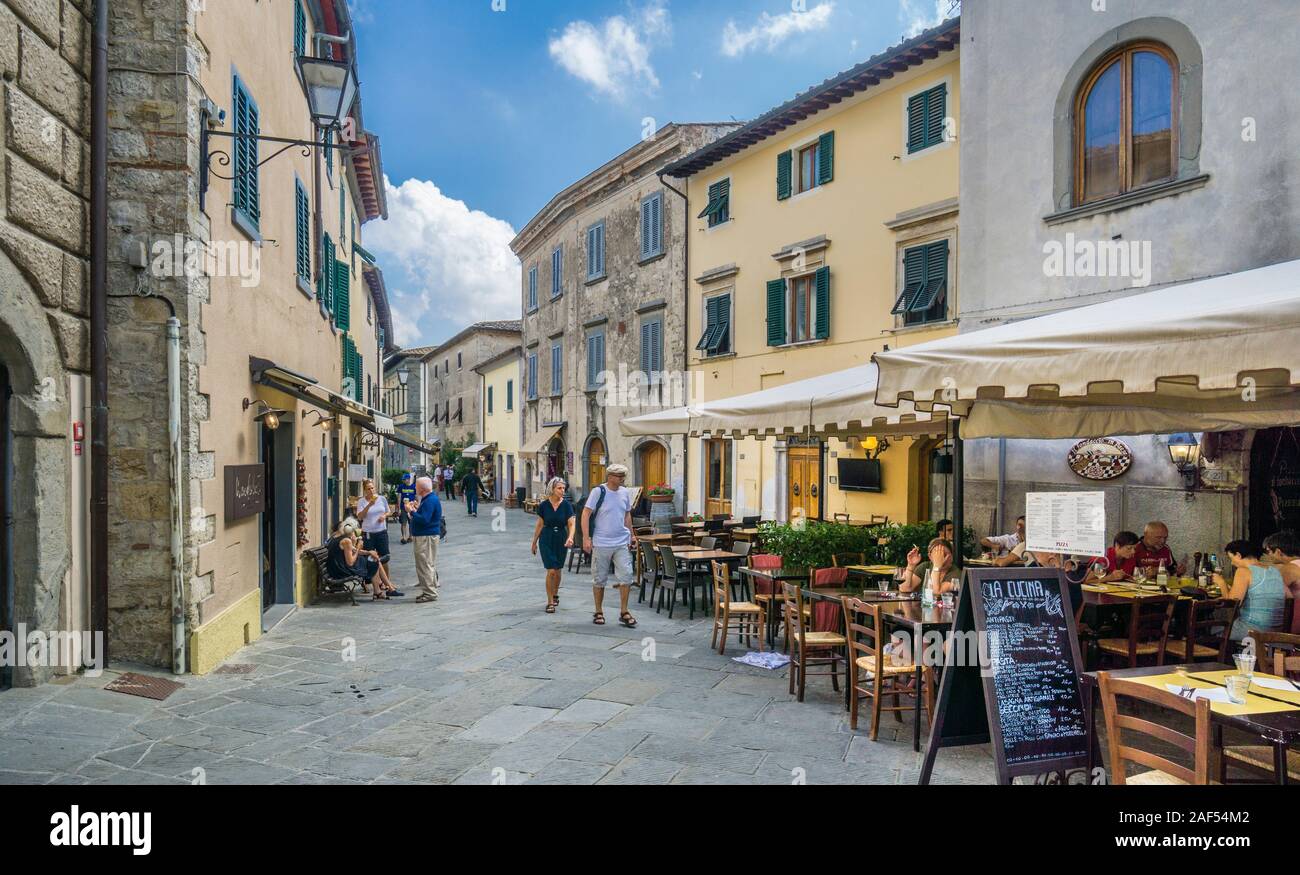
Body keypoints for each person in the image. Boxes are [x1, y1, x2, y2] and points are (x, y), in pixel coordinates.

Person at [581, 463, 638, 628]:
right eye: (620, 476)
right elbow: (586, 513)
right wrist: (586, 538)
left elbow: (627, 514)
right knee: (600, 578)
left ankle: (624, 611)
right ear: (610, 476)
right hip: (601, 542)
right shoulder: (598, 491)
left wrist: (632, 535)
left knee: (626, 576)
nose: (622, 479)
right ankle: (598, 611)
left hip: (621, 541)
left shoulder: (625, 493)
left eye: (623, 476)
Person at [1214, 539, 1300, 641]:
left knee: (1208, 629)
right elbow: (1289, 597)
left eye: (1231, 558)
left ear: (1238, 555)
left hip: (1253, 630)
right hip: (1277, 630)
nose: (1232, 563)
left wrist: (1222, 583)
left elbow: (1232, 604)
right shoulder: (1274, 571)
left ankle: (1222, 655)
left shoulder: (1243, 571)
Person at [531, 476, 575, 613]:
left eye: (563, 488)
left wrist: (570, 537)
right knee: (550, 570)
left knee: (558, 570)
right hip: (546, 538)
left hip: (561, 538)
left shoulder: (567, 505)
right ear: (552, 489)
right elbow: (539, 524)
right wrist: (534, 542)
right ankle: (550, 601)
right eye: (559, 488)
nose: (562, 491)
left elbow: (571, 523)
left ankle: (555, 593)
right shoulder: (544, 505)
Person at [327, 517, 396, 600]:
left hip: (336, 567)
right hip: (341, 570)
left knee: (372, 558)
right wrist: (358, 547)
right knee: (373, 561)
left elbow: (354, 550)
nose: (353, 534)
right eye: (353, 531)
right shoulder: (346, 541)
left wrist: (369, 552)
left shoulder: (335, 537)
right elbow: (351, 562)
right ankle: (382, 590)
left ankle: (385, 589)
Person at [356, 479, 401, 596]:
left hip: (381, 531)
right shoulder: (361, 501)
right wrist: (369, 505)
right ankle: (374, 585)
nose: (371, 491)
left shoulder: (381, 499)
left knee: (385, 557)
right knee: (371, 559)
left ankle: (387, 583)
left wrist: (384, 516)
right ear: (364, 490)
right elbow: (360, 517)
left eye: (372, 488)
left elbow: (388, 511)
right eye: (368, 489)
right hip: (368, 533)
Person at [406, 476, 443, 604]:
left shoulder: (430, 500)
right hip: (427, 535)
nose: (415, 488)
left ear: (422, 489)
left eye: (416, 486)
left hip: (425, 537)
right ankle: (429, 590)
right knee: (428, 564)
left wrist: (411, 511)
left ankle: (430, 593)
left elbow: (424, 520)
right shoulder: (429, 499)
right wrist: (416, 510)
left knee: (424, 564)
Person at [1262, 530, 1300, 634]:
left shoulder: (1289, 568)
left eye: (1269, 551)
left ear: (1278, 552)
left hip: (1296, 623)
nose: (1268, 555)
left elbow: (1271, 595)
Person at [396, 473, 417, 544]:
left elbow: (416, 497)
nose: (404, 481)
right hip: (403, 507)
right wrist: (398, 508)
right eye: (403, 479)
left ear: (408, 479)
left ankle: (411, 536)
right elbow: (399, 497)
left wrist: (416, 505)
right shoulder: (401, 486)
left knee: (411, 522)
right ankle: (404, 537)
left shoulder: (414, 487)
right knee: (403, 522)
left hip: (411, 507)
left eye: (405, 479)